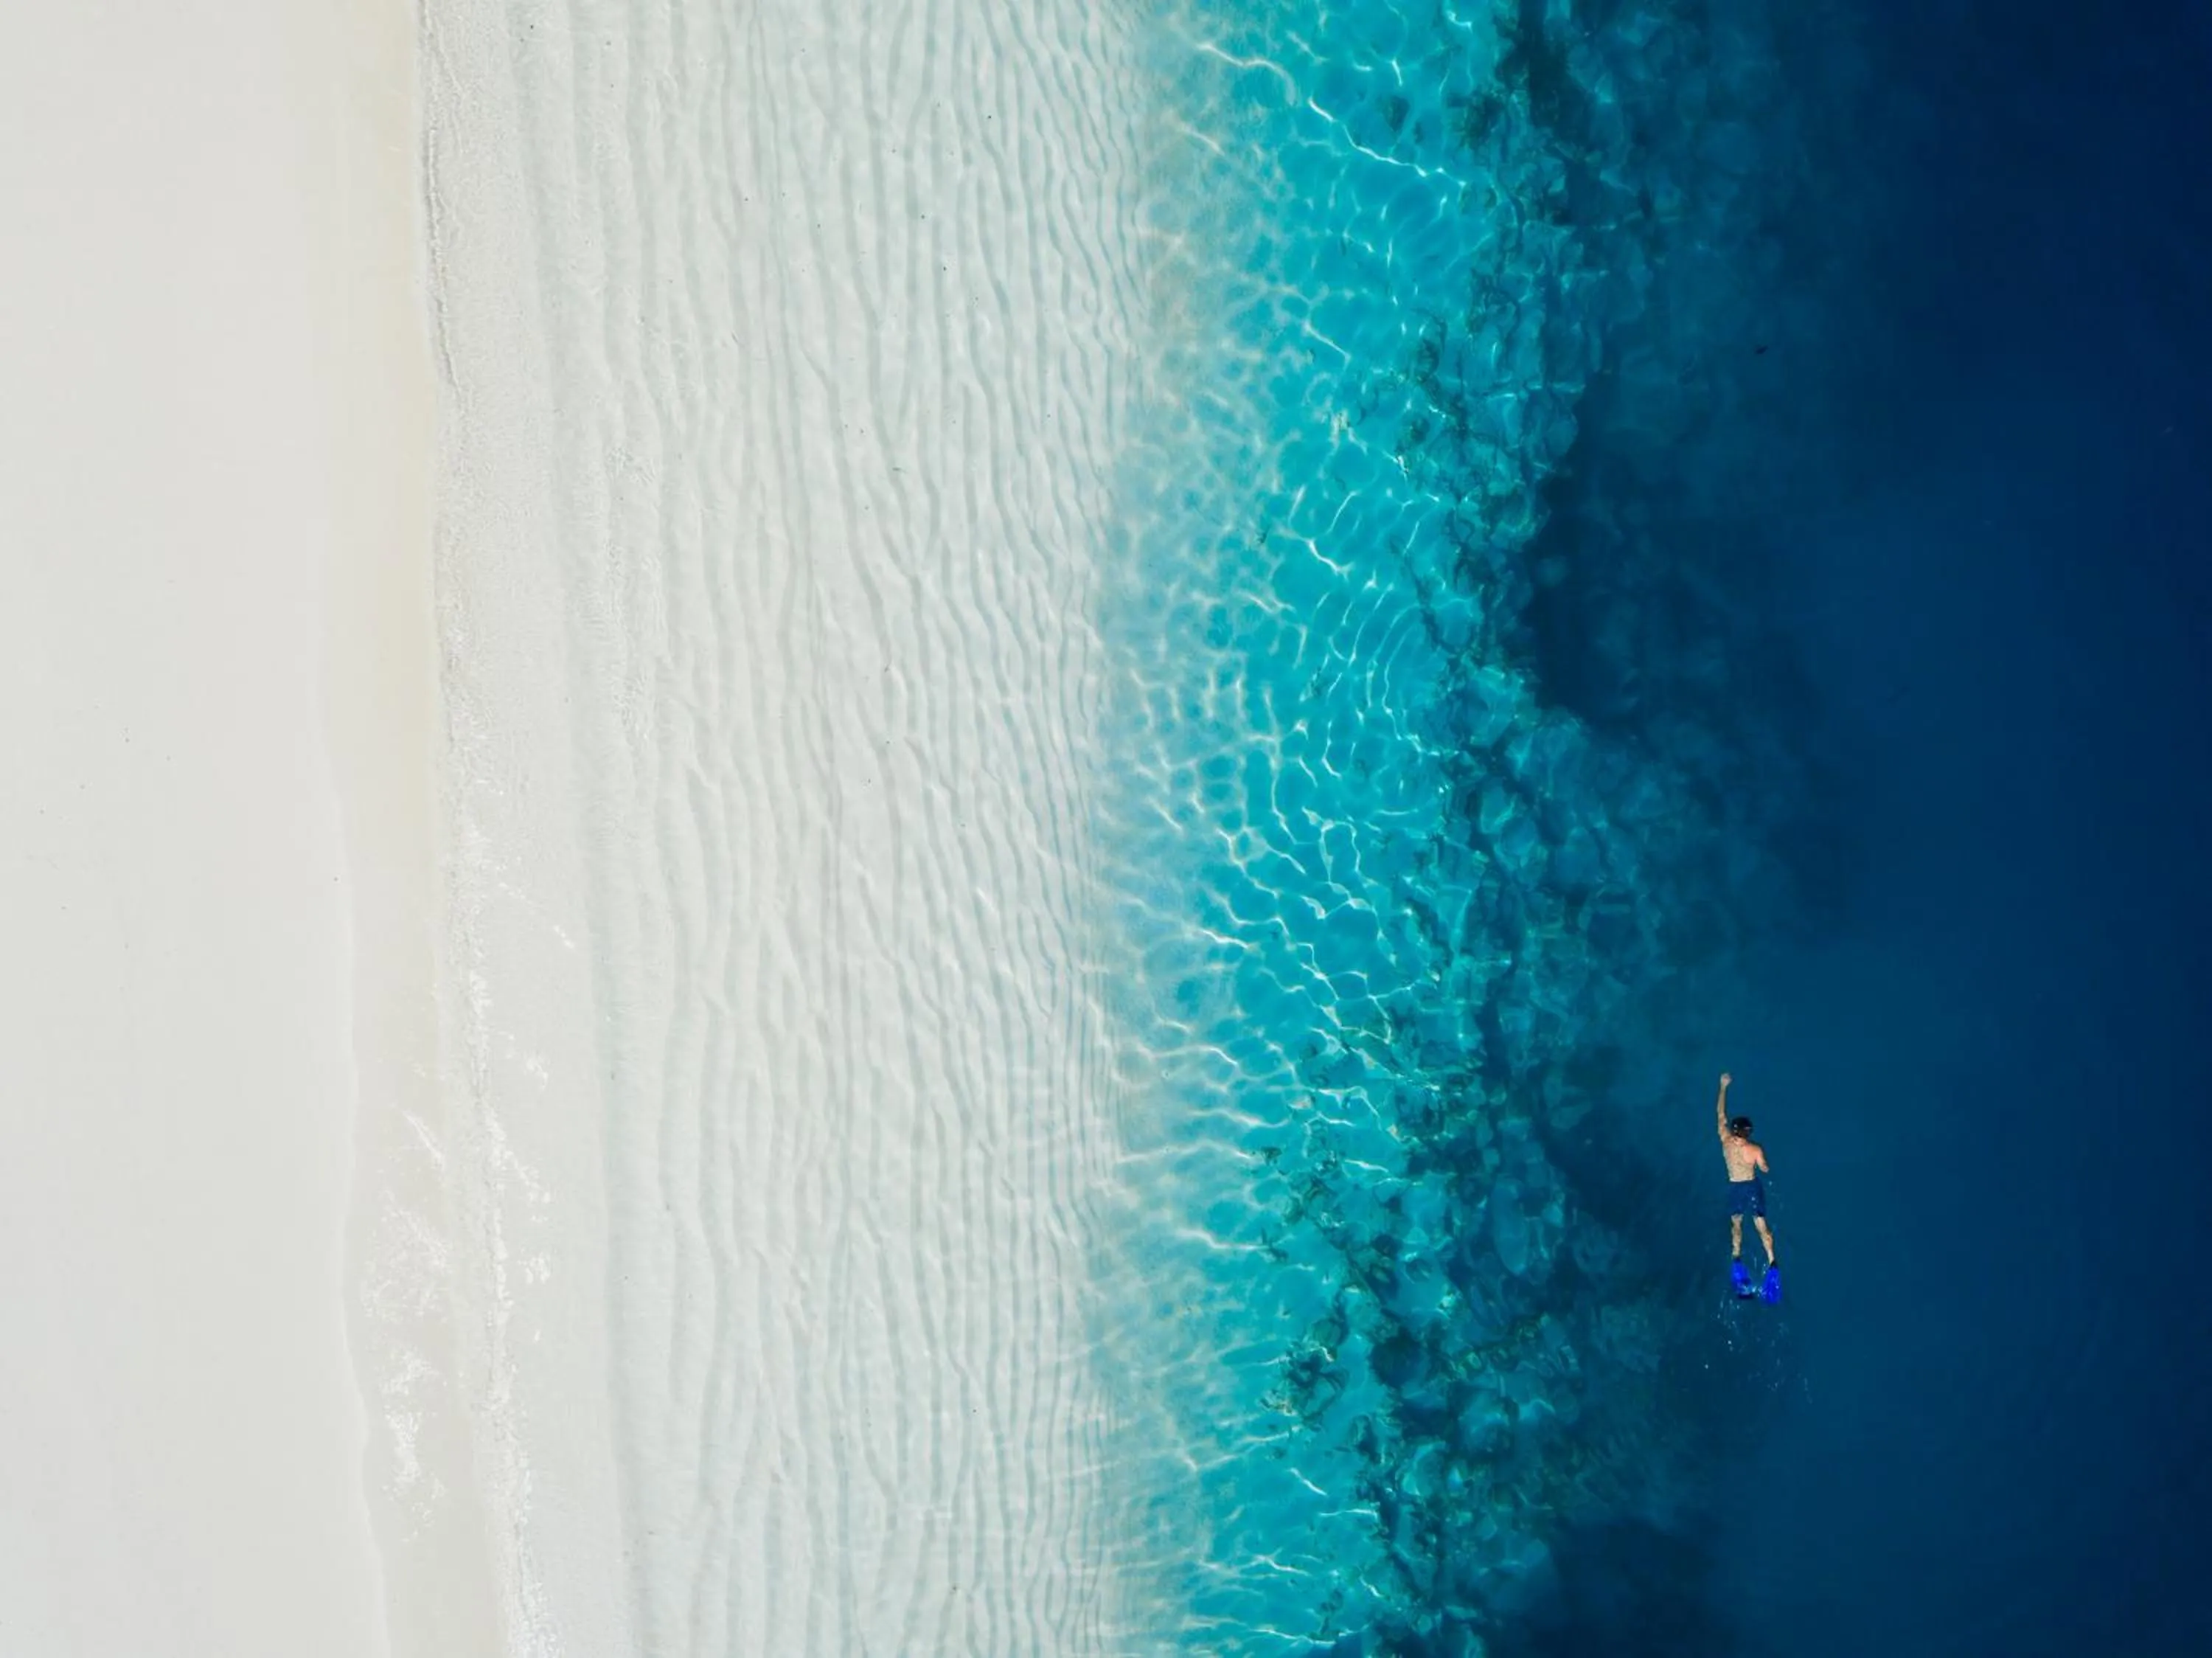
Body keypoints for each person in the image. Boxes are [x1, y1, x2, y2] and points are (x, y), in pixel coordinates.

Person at [1716, 1073, 1778, 1288]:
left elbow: (1720, 1115)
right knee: (1762, 1226)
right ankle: (1772, 1261)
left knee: (1737, 1225)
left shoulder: (1725, 1140)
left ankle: (1736, 1259)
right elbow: (1764, 1169)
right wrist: (1764, 1163)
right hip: (1752, 1187)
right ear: (1748, 1133)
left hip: (1735, 1188)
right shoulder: (1754, 1149)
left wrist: (1723, 1087)